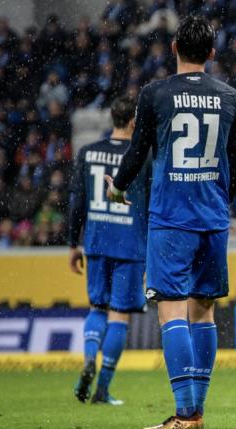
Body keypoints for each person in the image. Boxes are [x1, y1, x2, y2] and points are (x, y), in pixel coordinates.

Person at [105, 15, 236, 429]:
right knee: (203, 314)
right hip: (213, 218)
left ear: (173, 49)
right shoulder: (230, 97)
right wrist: (221, 200)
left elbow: (137, 151)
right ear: (213, 53)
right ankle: (196, 411)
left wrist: (119, 187)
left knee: (171, 313)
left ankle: (185, 413)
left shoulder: (155, 94)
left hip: (171, 219)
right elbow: (234, 164)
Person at [70, 95, 149, 406]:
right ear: (133, 122)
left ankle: (89, 357)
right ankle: (102, 389)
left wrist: (73, 244)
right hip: (130, 243)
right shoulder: (143, 155)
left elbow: (77, 202)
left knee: (96, 309)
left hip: (97, 240)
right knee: (120, 316)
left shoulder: (88, 153)